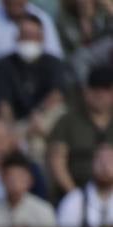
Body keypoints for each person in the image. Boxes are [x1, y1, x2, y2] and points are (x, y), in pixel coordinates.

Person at [0, 12, 68, 154]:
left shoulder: (54, 63)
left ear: (42, 38)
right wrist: (14, 129)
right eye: (25, 35)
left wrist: (39, 114)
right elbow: (3, 104)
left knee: (57, 115)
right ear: (17, 37)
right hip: (17, 124)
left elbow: (57, 94)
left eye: (33, 36)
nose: (29, 40)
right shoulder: (3, 65)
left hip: (43, 118)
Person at [48, 65, 113, 196]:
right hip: (75, 191)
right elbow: (57, 162)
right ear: (86, 91)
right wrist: (76, 196)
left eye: (106, 89)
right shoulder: (67, 121)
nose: (100, 94)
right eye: (95, 88)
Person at [0, 149, 59, 225]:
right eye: (11, 176)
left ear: (30, 180)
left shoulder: (43, 210)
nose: (15, 182)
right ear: (2, 178)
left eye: (20, 177)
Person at [0, 0, 63, 72]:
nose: (14, 2)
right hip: (1, 81)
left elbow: (55, 57)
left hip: (39, 82)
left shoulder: (42, 18)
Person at [55, 140, 113, 226]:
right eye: (100, 160)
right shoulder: (74, 200)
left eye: (110, 161)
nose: (104, 166)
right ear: (91, 164)